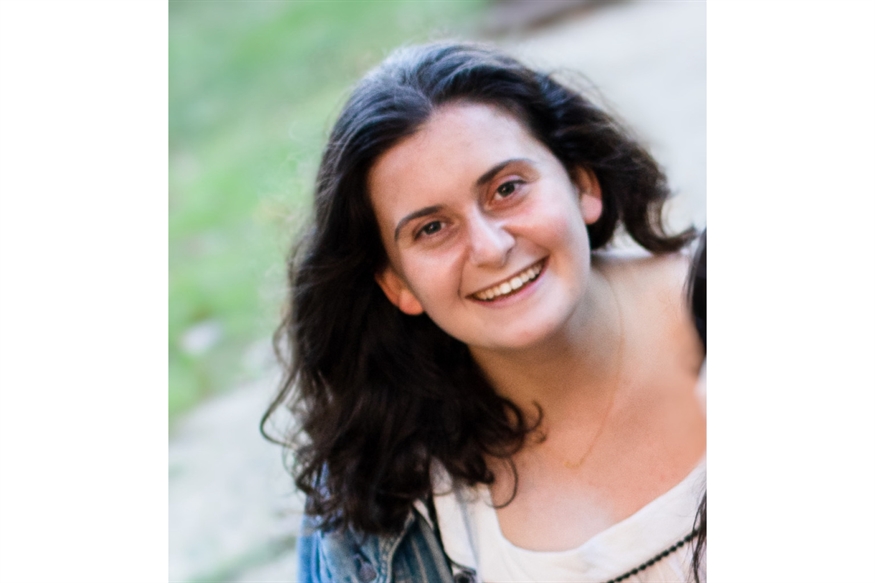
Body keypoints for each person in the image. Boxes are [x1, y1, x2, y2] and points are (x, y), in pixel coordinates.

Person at [262, 42, 706, 583]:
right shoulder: (374, 501)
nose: (490, 247)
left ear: (582, 183)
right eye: (432, 228)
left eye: (507, 189)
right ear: (397, 283)